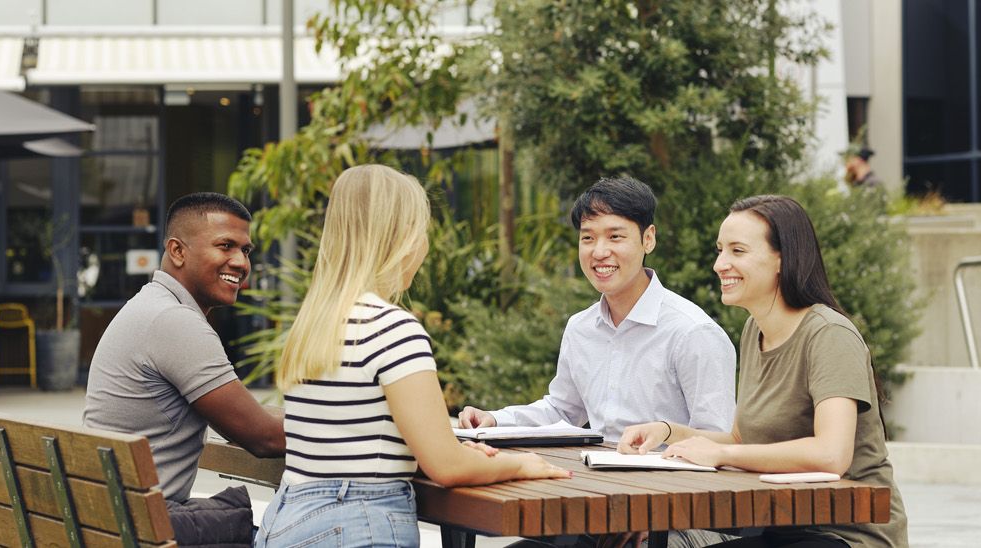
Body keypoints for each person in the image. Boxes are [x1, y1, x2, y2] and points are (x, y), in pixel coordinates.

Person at [255, 165, 570, 548]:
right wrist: (520, 465)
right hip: (358, 525)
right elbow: (447, 467)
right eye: (422, 230)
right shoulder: (392, 328)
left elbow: (358, 436)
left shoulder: (312, 325)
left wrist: (448, 448)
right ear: (401, 238)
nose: (424, 243)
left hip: (288, 519)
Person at [619, 195, 908, 547]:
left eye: (737, 251)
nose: (720, 264)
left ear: (781, 260)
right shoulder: (754, 331)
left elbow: (832, 455)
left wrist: (723, 455)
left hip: (848, 533)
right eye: (720, 250)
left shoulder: (829, 335)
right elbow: (742, 439)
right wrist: (667, 432)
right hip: (784, 524)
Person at [457, 177, 736, 441]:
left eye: (615, 237)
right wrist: (494, 420)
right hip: (596, 482)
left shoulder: (693, 333)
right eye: (588, 238)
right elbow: (562, 412)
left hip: (675, 488)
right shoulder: (581, 327)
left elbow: (719, 438)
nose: (599, 252)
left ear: (648, 239)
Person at [83, 192, 286, 546]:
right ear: (177, 251)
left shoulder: (150, 306)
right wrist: (358, 422)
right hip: (141, 532)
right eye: (225, 246)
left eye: (246, 250)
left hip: (113, 522)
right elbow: (263, 436)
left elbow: (244, 417)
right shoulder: (174, 321)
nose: (240, 262)